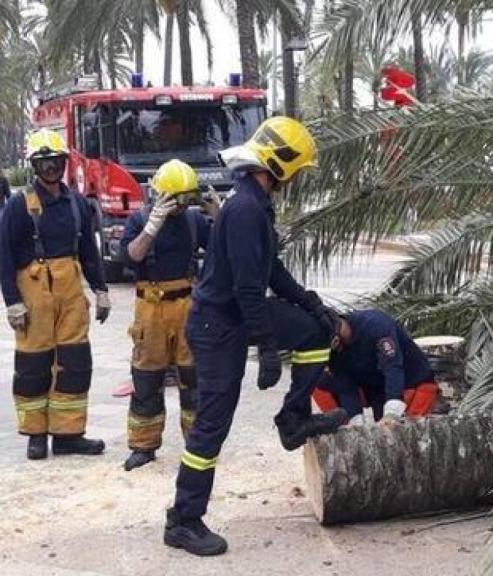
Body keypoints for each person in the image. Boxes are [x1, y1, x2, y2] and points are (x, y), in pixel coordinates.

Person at [164, 116, 344, 557]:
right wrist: (266, 347)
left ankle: (293, 418)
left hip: (237, 313)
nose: (298, 178)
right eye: (297, 169)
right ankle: (183, 520)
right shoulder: (245, 210)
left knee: (315, 333)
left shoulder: (257, 202)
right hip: (217, 325)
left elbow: (271, 270)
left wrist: (309, 304)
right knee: (212, 424)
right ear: (279, 162)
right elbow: (248, 287)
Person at [0, 128, 110, 460]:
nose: (50, 168)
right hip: (34, 292)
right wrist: (13, 302)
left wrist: (101, 289)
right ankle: (36, 434)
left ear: (64, 162)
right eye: (43, 162)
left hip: (71, 291)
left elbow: (89, 251)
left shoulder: (77, 202)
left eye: (55, 161)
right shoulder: (20, 205)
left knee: (75, 363)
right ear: (34, 166)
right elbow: (4, 255)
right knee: (35, 363)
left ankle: (68, 434)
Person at [120, 159, 217, 471]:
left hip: (189, 304)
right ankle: (143, 446)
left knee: (194, 378)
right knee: (146, 379)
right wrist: (152, 227)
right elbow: (131, 256)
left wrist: (219, 216)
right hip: (151, 307)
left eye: (184, 199)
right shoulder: (140, 221)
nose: (178, 207)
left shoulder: (192, 221)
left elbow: (221, 248)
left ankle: (197, 443)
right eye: (173, 200)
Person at [316, 309, 438, 426]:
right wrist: (355, 421)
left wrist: (392, 412)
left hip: (412, 383)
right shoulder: (332, 351)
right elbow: (345, 385)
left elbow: (393, 367)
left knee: (407, 433)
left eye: (335, 342)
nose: (337, 349)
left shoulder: (375, 324)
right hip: (377, 390)